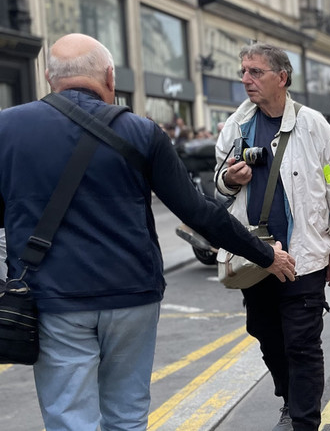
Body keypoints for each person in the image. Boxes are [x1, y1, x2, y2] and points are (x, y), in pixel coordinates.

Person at [0, 34, 294, 431]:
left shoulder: (8, 128)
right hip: (131, 294)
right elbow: (199, 211)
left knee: (70, 417)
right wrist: (266, 255)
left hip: (54, 297)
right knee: (126, 416)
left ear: (48, 77)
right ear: (109, 76)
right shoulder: (141, 131)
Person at [215, 42, 330, 431]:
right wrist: (229, 178)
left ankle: (304, 420)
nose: (246, 79)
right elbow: (218, 186)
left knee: (302, 343)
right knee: (266, 336)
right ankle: (290, 400)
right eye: (243, 71)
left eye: (255, 72)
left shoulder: (315, 126)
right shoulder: (236, 126)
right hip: (255, 256)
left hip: (306, 255)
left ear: (282, 77)